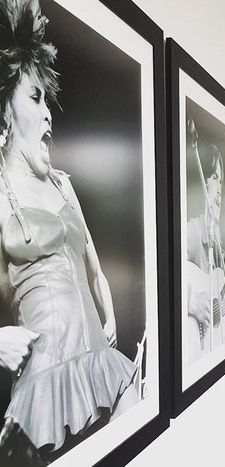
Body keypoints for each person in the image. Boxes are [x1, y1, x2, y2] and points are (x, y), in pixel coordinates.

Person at [0, 0, 138, 460]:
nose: (48, 115)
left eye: (48, 100)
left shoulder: (63, 184)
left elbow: (95, 267)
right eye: (35, 98)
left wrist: (110, 310)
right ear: (5, 110)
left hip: (102, 368)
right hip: (44, 394)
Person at [186, 118, 225, 361]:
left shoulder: (216, 239)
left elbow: (219, 298)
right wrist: (190, 301)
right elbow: (156, 275)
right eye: (215, 178)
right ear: (202, 181)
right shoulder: (192, 231)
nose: (219, 189)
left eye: (221, 180)